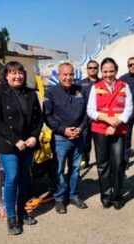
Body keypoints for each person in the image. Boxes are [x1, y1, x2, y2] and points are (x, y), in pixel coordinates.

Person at [0, 61, 43, 235]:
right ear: (6, 75)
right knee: (12, 178)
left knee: (23, 178)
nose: (17, 76)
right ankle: (12, 216)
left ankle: (21, 210)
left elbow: (39, 118)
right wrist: (15, 140)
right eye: (13, 73)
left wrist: (34, 136)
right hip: (7, 144)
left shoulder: (30, 93)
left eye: (20, 72)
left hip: (28, 143)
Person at [87, 57, 133, 210]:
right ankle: (106, 196)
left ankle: (118, 195)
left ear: (116, 71)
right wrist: (107, 120)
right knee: (103, 164)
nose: (108, 74)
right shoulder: (96, 87)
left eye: (111, 71)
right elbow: (91, 110)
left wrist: (116, 123)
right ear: (101, 72)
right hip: (100, 130)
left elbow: (128, 109)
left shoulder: (124, 86)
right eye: (105, 71)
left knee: (119, 163)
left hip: (119, 130)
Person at [44, 62, 89, 214]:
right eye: (65, 74)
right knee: (58, 170)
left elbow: (86, 114)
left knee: (75, 168)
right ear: (58, 75)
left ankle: (74, 195)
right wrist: (64, 130)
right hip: (60, 138)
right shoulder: (51, 92)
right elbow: (48, 116)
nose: (68, 77)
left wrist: (80, 129)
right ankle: (60, 199)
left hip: (78, 136)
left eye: (71, 74)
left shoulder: (81, 90)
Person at [76, 60, 100, 170]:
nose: (93, 69)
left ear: (98, 69)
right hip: (84, 117)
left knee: (100, 141)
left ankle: (101, 160)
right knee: (85, 140)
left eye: (95, 67)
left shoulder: (103, 82)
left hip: (99, 117)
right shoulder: (80, 84)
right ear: (87, 69)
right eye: (90, 68)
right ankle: (84, 159)